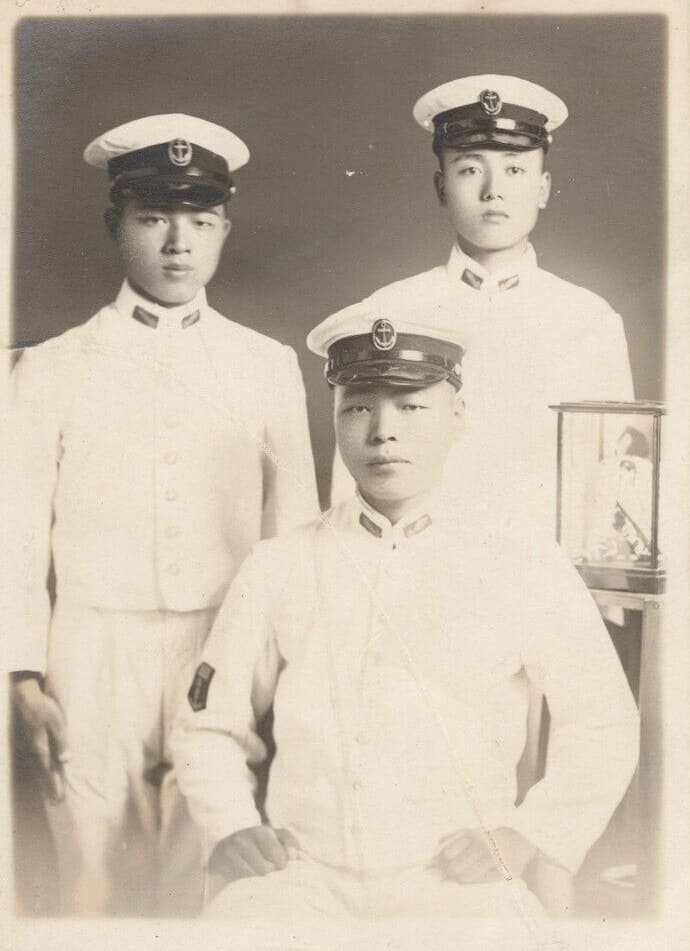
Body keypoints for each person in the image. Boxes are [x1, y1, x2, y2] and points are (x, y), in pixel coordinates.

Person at [171, 303, 639, 920]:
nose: (382, 432)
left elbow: (604, 721)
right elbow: (206, 722)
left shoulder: (521, 563)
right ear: (335, 417)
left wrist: (531, 835)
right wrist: (231, 823)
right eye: (359, 405)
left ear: (457, 415)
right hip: (302, 877)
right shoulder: (279, 564)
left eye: (412, 407)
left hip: (456, 884)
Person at [4, 113, 318, 916]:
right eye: (154, 219)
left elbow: (297, 528)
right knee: (89, 867)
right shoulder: (51, 367)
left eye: (199, 222)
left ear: (223, 230)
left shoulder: (265, 364)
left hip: (224, 641)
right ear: (117, 226)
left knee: (210, 864)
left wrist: (294, 667)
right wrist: (21, 674)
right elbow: (13, 529)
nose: (178, 243)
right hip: (92, 646)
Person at [330, 74, 634, 533]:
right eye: (470, 169)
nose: (493, 190)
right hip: (416, 573)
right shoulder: (388, 311)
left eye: (514, 169)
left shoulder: (590, 320)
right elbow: (351, 472)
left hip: (547, 579)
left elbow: (618, 478)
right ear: (441, 187)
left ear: (544, 187)